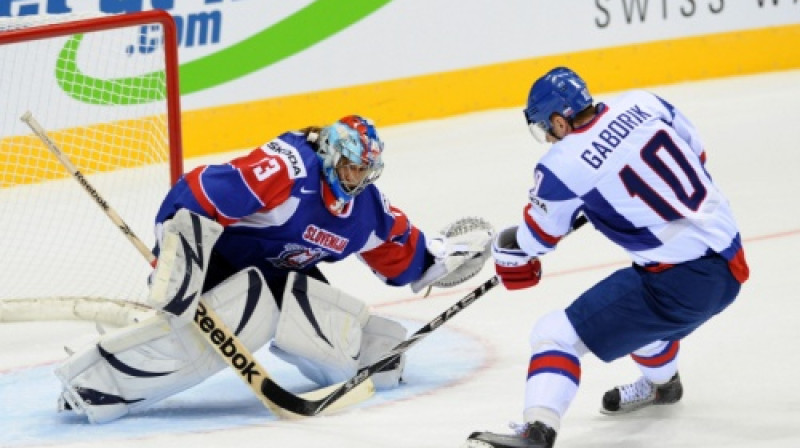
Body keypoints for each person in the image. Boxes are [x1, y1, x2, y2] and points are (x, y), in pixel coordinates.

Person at [55, 115, 493, 424]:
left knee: (323, 324)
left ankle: (373, 358)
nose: (356, 178)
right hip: (220, 264)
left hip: (276, 277)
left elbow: (401, 251)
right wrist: (177, 257)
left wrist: (436, 261)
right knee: (249, 310)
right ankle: (94, 383)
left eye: (365, 170)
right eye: (350, 166)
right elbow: (197, 192)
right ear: (331, 154)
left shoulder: (363, 210)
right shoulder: (285, 170)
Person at [465, 68, 749, 448]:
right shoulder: (643, 101)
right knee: (638, 318)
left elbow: (536, 240)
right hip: (729, 259)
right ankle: (663, 386)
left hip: (681, 282)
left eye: (546, 129)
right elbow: (696, 152)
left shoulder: (561, 166)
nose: (548, 138)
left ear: (559, 120)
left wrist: (506, 249)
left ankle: (537, 431)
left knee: (554, 334)